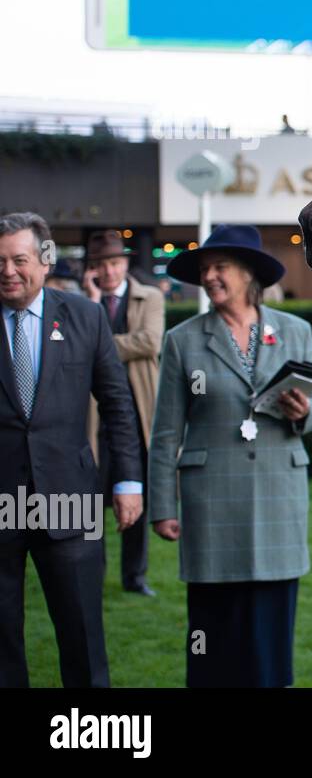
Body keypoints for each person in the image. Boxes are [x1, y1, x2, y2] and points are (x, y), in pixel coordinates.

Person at [148, 224, 312, 687]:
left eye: (219, 267)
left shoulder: (296, 331)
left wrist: (304, 411)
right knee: (213, 634)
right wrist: (162, 507)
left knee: (270, 634)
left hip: (277, 497)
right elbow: (167, 431)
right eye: (204, 269)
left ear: (249, 274)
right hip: (211, 504)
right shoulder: (182, 340)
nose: (209, 276)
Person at [0, 212, 142, 687]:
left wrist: (126, 481)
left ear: (44, 261)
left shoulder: (85, 316)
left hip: (71, 499)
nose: (7, 271)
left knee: (82, 636)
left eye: (18, 259)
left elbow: (118, 405)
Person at [83, 229, 164, 596]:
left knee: (136, 495)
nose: (110, 271)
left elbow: (150, 342)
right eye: (101, 265)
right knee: (91, 501)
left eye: (115, 263)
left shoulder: (149, 297)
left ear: (126, 263)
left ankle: (135, 576)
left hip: (138, 409)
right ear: (92, 270)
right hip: (95, 417)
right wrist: (93, 301)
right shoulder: (83, 303)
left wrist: (97, 346)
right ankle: (91, 575)